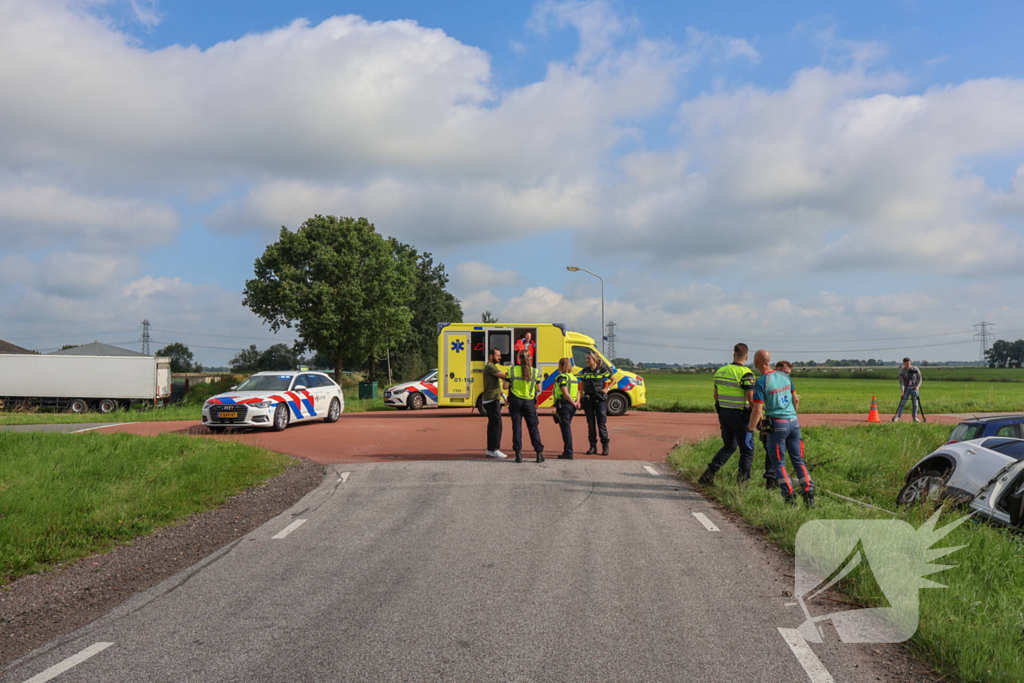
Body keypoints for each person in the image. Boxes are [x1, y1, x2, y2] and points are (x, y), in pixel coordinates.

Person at [747, 349, 814, 507]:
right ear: (769, 362)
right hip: (793, 423)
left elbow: (757, 410)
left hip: (777, 424)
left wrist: (750, 429)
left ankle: (789, 496)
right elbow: (795, 399)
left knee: (778, 463)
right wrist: (792, 416)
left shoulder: (762, 381)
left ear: (757, 362)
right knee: (798, 460)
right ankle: (809, 492)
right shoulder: (785, 376)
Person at [698, 343, 756, 486]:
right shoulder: (747, 374)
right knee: (747, 450)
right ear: (747, 357)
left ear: (734, 355)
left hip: (724, 414)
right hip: (741, 416)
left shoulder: (720, 371)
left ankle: (708, 475)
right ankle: (742, 485)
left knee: (729, 446)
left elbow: (716, 396)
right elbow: (751, 400)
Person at [505, 349, 544, 463]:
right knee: (533, 428)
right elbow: (539, 389)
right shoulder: (535, 372)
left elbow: (505, 386)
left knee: (517, 428)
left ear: (518, 358)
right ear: (530, 358)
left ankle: (518, 454)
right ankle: (539, 453)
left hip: (516, 402)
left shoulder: (512, 370)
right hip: (529, 403)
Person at [579, 351, 613, 455]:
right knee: (591, 424)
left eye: (589, 358)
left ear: (594, 360)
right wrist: (580, 398)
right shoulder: (584, 371)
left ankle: (605, 446)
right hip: (588, 400)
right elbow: (582, 384)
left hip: (599, 400)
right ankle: (592, 447)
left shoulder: (603, 370)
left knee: (601, 424)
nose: (587, 360)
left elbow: (613, 379)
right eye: (587, 358)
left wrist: (607, 389)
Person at [482, 347, 509, 459]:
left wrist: (503, 396)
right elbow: (504, 376)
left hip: (492, 399)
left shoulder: (492, 367)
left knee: (493, 424)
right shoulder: (490, 366)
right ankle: (494, 449)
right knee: (497, 423)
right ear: (491, 356)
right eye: (498, 355)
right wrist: (514, 373)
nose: (500, 357)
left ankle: (490, 449)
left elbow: (497, 385)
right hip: (491, 399)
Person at [553, 357, 581, 459]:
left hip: (564, 405)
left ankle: (568, 452)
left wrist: (573, 403)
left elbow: (565, 393)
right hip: (572, 406)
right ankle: (567, 450)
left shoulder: (562, 378)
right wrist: (577, 402)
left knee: (566, 429)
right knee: (566, 427)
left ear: (561, 366)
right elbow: (578, 392)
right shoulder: (573, 377)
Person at [894, 357, 923, 423]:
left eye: (909, 363)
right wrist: (903, 390)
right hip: (907, 388)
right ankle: (898, 417)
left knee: (915, 403)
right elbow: (901, 382)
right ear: (904, 363)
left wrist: (917, 386)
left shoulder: (915, 369)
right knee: (903, 402)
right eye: (907, 363)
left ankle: (914, 418)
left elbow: (920, 378)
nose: (908, 364)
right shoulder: (902, 372)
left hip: (914, 388)